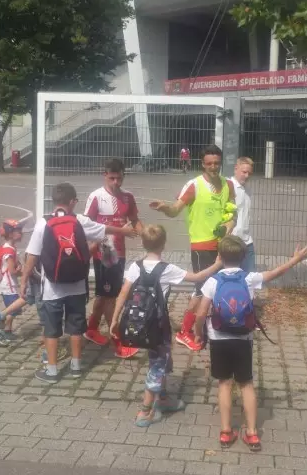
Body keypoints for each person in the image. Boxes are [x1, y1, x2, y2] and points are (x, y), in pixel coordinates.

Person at [194, 236, 307, 451]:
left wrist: (198, 333)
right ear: (244, 257)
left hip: (219, 338)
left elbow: (201, 313)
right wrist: (295, 260)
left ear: (219, 256)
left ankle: (226, 432)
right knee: (246, 384)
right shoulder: (249, 278)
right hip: (243, 338)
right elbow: (276, 273)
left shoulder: (212, 281)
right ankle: (252, 433)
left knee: (224, 384)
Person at [110, 224, 222, 427]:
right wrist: (217, 264)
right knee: (158, 364)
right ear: (164, 244)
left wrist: (115, 319)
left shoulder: (135, 267)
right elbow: (197, 277)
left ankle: (162, 398)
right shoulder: (167, 269)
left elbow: (123, 294)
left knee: (161, 357)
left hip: (139, 324)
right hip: (157, 326)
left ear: (143, 244)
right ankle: (145, 411)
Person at [20, 182, 128, 384]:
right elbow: (105, 229)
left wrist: (24, 280)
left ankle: (52, 371)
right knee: (76, 326)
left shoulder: (43, 223)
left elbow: (32, 256)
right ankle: (76, 366)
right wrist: (124, 231)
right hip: (78, 285)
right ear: (72, 202)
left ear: (54, 201)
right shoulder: (79, 220)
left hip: (52, 287)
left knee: (52, 328)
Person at [150, 144, 235, 352]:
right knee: (200, 290)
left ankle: (211, 325)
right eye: (209, 164)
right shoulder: (194, 185)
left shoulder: (228, 185)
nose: (213, 167)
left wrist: (227, 227)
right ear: (202, 164)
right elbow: (175, 210)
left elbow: (232, 215)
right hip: (201, 246)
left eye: (216, 163)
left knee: (218, 287)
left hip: (221, 245)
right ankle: (184, 332)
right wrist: (165, 208)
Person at [84, 158, 143, 357]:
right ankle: (118, 341)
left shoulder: (128, 197)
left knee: (104, 294)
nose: (116, 182)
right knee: (111, 298)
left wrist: (147, 238)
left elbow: (135, 220)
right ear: (105, 176)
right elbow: (86, 225)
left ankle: (91, 329)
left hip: (120, 253)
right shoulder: (96, 197)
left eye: (119, 178)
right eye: (112, 178)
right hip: (104, 254)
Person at [0, 219, 24, 346]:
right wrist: (22, 271)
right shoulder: (9, 251)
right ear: (10, 234)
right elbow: (12, 271)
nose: (21, 233)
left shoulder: (8, 248)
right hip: (9, 286)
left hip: (6, 285)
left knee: (12, 310)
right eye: (18, 231)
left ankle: (7, 330)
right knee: (13, 310)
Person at [231, 157, 256, 272]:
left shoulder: (247, 189)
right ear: (236, 169)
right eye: (244, 172)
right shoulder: (228, 186)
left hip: (247, 241)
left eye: (249, 173)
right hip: (232, 242)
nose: (247, 176)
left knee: (249, 279)